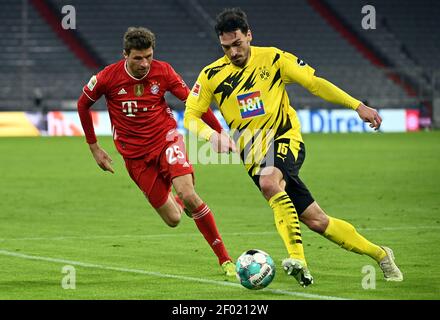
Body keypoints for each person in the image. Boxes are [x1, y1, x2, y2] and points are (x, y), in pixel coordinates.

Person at [184, 8, 403, 287]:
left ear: (249, 35)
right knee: (316, 220)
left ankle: (298, 260)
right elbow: (191, 115)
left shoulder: (274, 58)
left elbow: (314, 84)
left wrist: (357, 106)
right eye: (226, 47)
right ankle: (381, 254)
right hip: (253, 155)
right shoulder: (212, 74)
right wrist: (210, 134)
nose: (233, 52)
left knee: (269, 182)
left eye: (238, 44)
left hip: (285, 138)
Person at [77, 27, 236, 277]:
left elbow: (193, 103)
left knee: (188, 193)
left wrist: (219, 131)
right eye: (138, 58)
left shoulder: (164, 71)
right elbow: (83, 104)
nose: (144, 63)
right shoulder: (108, 77)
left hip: (166, 140)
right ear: (125, 55)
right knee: (173, 219)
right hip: (135, 157)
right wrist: (94, 148)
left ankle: (225, 260)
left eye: (149, 56)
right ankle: (180, 191)